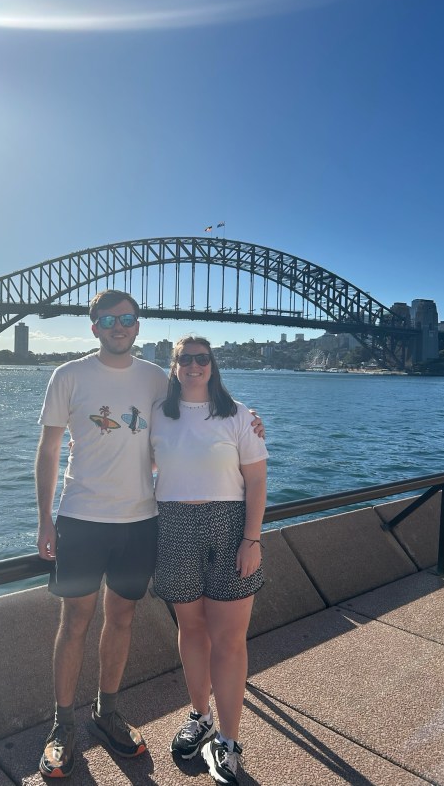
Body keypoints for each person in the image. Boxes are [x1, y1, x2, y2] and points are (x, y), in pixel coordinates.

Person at [35, 293, 264, 779]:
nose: (119, 326)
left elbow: (190, 428)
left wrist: (249, 422)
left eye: (128, 319)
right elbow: (49, 451)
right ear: (94, 326)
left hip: (141, 520)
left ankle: (107, 713)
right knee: (74, 620)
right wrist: (44, 518)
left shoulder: (156, 380)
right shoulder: (67, 376)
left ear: (138, 326)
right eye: (109, 319)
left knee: (121, 618)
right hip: (81, 517)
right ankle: (61, 726)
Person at [150, 336, 268, 786]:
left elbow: (256, 483)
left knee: (230, 639)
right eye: (187, 359)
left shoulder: (239, 415)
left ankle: (229, 741)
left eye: (203, 359)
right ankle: (200, 715)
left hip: (228, 526)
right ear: (175, 366)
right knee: (191, 630)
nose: (195, 366)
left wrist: (251, 540)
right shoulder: (159, 414)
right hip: (173, 526)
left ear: (213, 366)